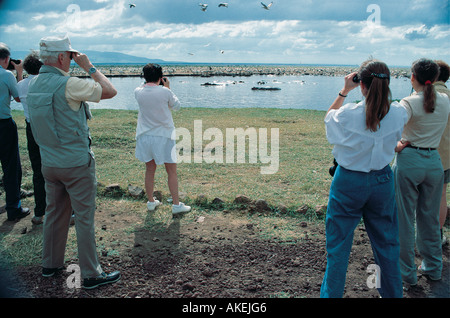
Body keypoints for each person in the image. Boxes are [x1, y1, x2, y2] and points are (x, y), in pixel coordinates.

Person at [27, 35, 120, 289]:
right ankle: (91, 274)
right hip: (76, 163)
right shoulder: (69, 85)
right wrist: (89, 67)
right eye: (69, 55)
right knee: (84, 218)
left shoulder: (32, 84)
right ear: (61, 57)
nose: (71, 59)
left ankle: (51, 264)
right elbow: (110, 91)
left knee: (54, 214)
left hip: (49, 163)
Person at [320, 60, 408, 298]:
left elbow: (329, 118)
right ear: (388, 83)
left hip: (348, 181)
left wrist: (344, 91)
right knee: (387, 245)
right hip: (382, 181)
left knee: (338, 247)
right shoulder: (399, 111)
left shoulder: (349, 113)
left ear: (362, 85)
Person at [393, 58, 450, 288]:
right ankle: (433, 267)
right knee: (429, 218)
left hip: (409, 161)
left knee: (404, 220)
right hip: (434, 163)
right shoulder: (445, 100)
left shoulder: (407, 102)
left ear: (413, 77)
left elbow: (393, 131)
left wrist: (397, 145)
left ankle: (407, 275)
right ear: (436, 79)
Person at [134, 64, 191, 215]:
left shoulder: (138, 92)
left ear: (144, 77)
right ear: (160, 77)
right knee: (171, 171)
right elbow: (176, 106)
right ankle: (176, 205)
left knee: (150, 170)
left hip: (145, 136)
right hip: (164, 136)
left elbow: (145, 87)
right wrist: (168, 87)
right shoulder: (165, 92)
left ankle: (151, 201)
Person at [0, 42, 30, 222]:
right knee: (11, 167)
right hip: (3, 124)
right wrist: (18, 72)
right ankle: (14, 208)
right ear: (6, 59)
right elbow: (19, 97)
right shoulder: (6, 75)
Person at [17, 51, 46, 225]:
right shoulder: (44, 83)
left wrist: (19, 72)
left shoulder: (21, 85)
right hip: (49, 127)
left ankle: (39, 212)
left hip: (31, 128)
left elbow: (18, 98)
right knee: (58, 167)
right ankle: (68, 211)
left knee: (37, 170)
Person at [434, 60, 449, 247]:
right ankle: (437, 235)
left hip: (419, 154)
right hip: (446, 156)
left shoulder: (420, 96)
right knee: (441, 196)